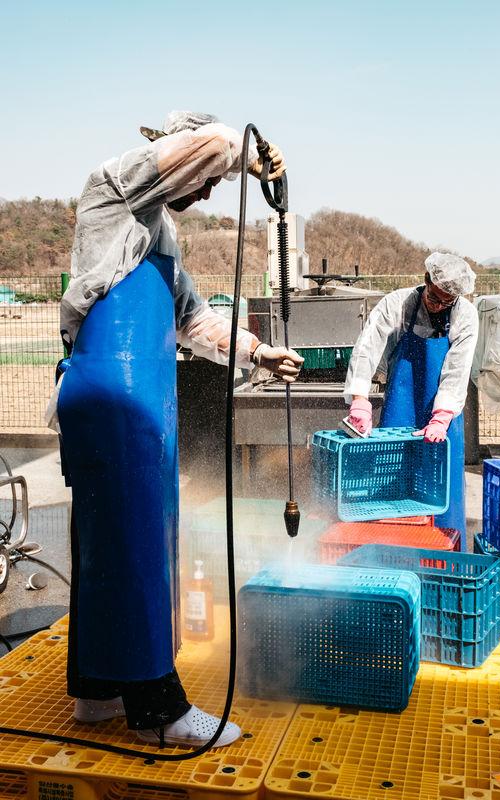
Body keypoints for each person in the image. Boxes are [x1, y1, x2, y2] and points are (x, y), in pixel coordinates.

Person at [48, 111, 303, 749]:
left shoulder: (158, 234)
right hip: (117, 395)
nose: (209, 190)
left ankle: (98, 690)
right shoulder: (114, 189)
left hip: (135, 396)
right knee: (136, 546)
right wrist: (246, 152)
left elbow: (193, 319)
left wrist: (256, 352)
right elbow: (208, 146)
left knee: (107, 546)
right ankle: (159, 711)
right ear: (175, 153)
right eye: (206, 178)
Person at [344, 252, 478, 546]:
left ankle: (444, 554)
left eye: (446, 302)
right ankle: (393, 548)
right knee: (394, 480)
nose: (438, 305)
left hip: (443, 414)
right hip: (401, 405)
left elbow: (458, 368)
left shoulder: (465, 314)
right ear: (426, 281)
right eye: (434, 297)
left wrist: (442, 417)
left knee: (443, 487)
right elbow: (367, 348)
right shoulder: (398, 304)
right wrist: (359, 399)